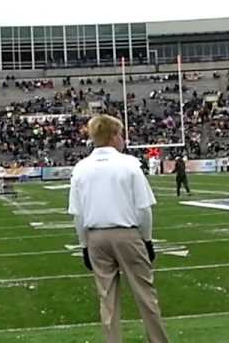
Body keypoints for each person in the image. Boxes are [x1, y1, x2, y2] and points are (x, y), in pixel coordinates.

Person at [68, 114, 169, 343]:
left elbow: (78, 214)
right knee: (145, 295)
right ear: (114, 136)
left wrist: (84, 245)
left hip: (95, 237)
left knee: (107, 299)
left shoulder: (81, 168)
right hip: (127, 234)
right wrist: (148, 240)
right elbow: (143, 209)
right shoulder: (129, 164)